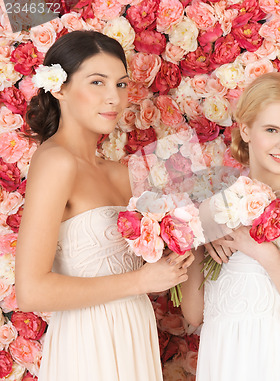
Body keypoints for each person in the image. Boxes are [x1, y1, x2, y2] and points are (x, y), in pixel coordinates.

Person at [15, 30, 194, 381]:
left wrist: (199, 235)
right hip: (88, 341)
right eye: (97, 82)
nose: (114, 98)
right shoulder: (56, 162)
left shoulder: (121, 173)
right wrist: (141, 280)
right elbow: (31, 290)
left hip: (133, 330)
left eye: (122, 84)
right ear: (60, 87)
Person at [181, 72, 280, 380]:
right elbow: (194, 314)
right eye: (271, 129)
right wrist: (195, 237)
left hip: (273, 363)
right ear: (246, 130)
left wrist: (265, 254)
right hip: (221, 363)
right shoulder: (212, 206)